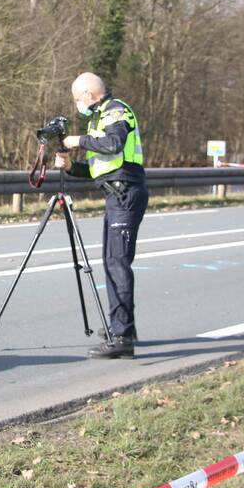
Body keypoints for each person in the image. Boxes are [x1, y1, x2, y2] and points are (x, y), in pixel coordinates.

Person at [54, 72, 148, 359]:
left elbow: (113, 144)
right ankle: (123, 329)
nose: (76, 104)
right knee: (111, 263)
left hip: (125, 193)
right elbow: (99, 169)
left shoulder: (117, 110)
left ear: (88, 94)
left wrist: (78, 140)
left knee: (118, 264)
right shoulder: (98, 118)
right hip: (114, 194)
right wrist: (71, 167)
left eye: (77, 98)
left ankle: (121, 337)